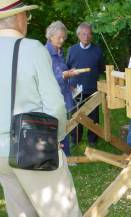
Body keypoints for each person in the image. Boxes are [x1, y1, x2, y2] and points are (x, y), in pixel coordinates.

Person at [0, 1, 82, 217]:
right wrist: (57, 137)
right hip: (32, 145)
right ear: (18, 17)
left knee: (21, 213)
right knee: (63, 213)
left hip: (0, 151)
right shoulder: (32, 48)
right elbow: (54, 104)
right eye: (27, 15)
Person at [67, 22, 104, 147]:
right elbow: (67, 69)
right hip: (75, 88)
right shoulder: (72, 50)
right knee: (76, 115)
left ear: (92, 36)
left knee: (93, 116)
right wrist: (69, 84)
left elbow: (101, 68)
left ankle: (92, 139)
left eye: (89, 34)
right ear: (78, 35)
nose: (86, 37)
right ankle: (75, 139)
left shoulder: (97, 50)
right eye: (83, 34)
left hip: (92, 88)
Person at [45, 21, 78, 156]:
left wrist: (69, 82)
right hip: (52, 98)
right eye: (59, 37)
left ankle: (65, 157)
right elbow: (48, 78)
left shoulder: (59, 51)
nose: (62, 40)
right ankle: (56, 157)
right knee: (54, 128)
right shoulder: (45, 52)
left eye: (64, 37)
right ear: (50, 36)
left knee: (63, 127)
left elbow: (60, 73)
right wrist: (65, 75)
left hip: (63, 95)